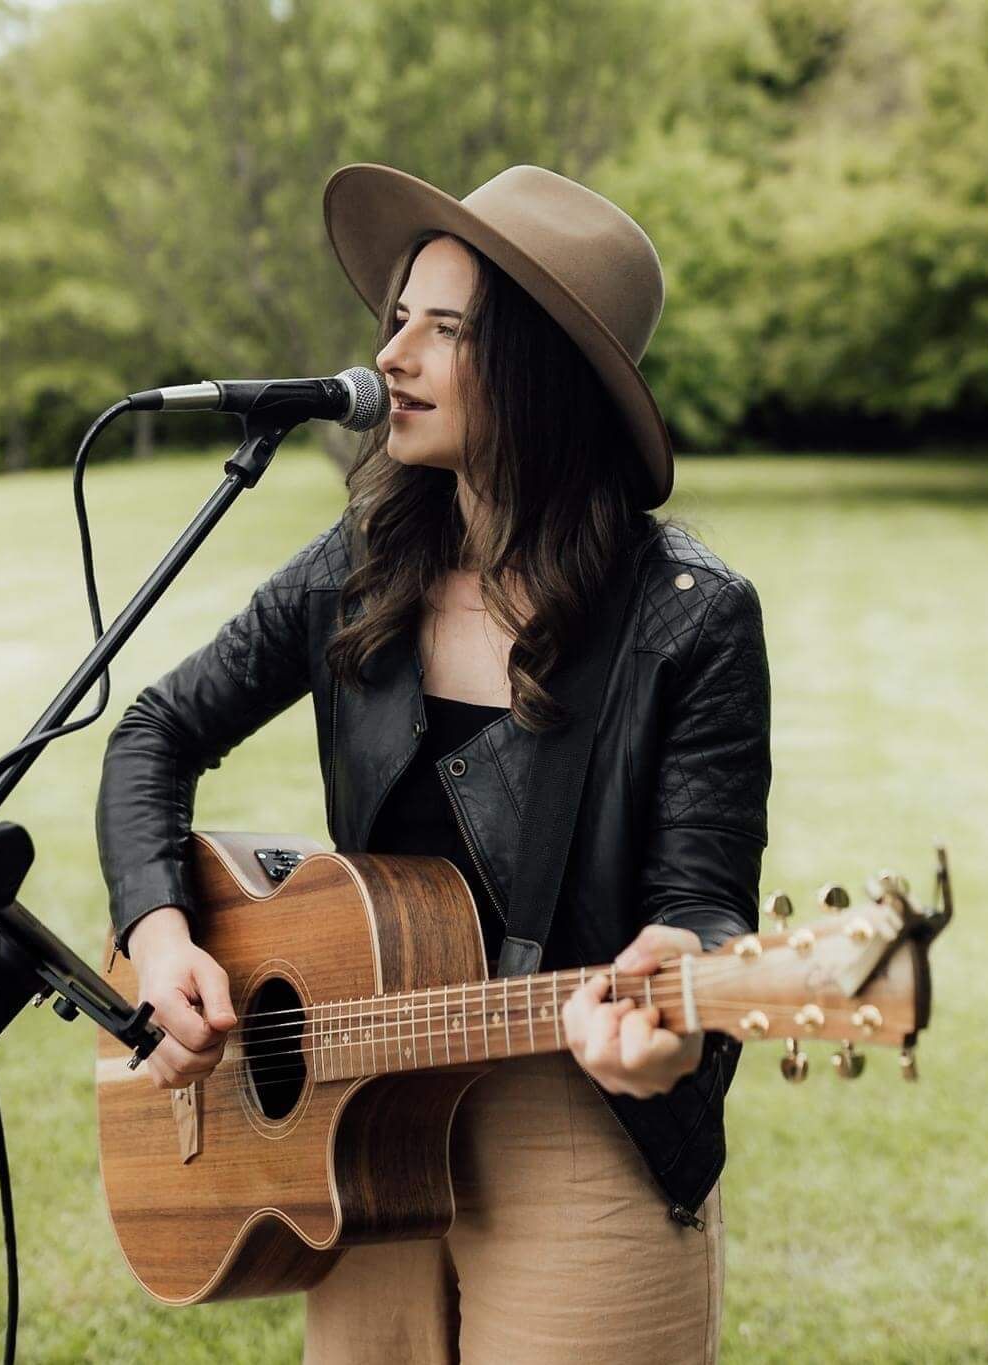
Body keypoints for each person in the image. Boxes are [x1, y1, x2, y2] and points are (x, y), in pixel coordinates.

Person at [95, 163, 771, 1364]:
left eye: (443, 330)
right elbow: (155, 731)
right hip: (357, 1133)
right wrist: (158, 933)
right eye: (396, 317)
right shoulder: (363, 564)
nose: (392, 355)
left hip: (575, 1119)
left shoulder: (688, 619)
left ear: (540, 374)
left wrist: (675, 1013)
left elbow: (700, 905)